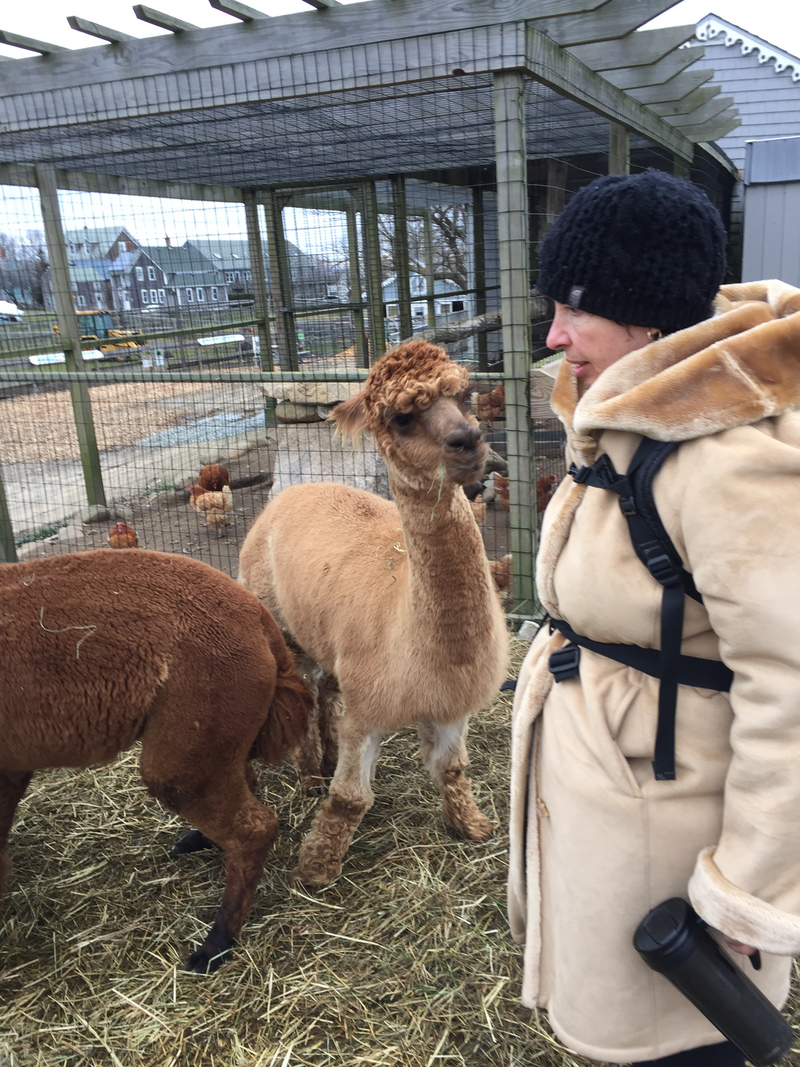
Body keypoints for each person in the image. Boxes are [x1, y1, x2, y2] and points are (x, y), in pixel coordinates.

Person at [507, 168, 800, 1066]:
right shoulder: (633, 418)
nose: (554, 335)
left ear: (647, 318)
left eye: (575, 308)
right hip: (620, 789)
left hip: (668, 824)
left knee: (680, 1040)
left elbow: (791, 686)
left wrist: (747, 888)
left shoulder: (722, 459)